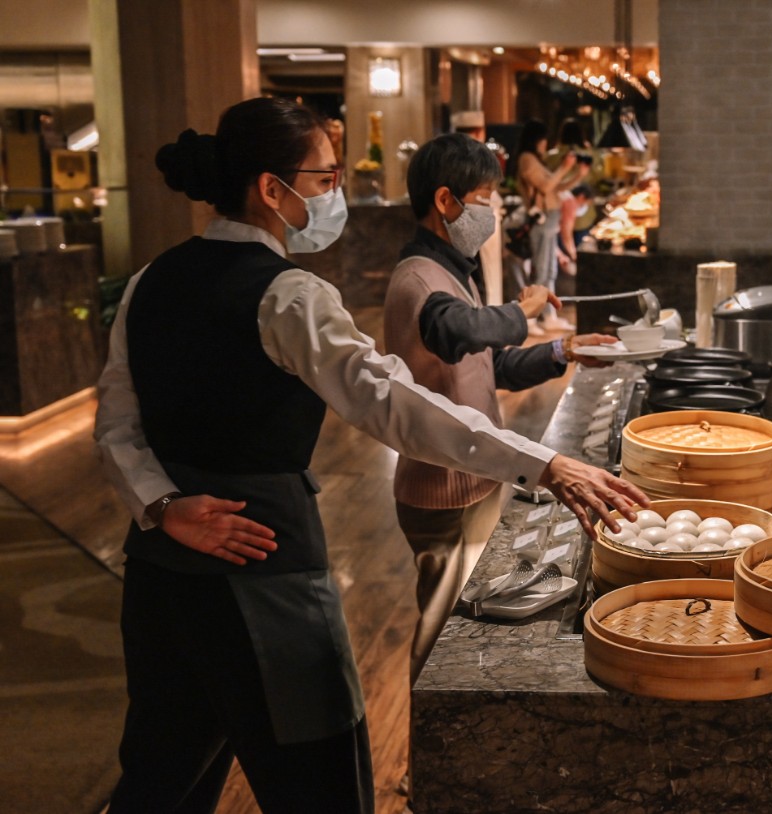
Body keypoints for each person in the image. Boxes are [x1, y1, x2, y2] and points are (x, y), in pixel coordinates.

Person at [93, 96, 646, 814]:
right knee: (318, 774)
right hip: (266, 564)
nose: (334, 195)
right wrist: (543, 463)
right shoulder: (289, 296)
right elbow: (396, 404)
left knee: (162, 779)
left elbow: (115, 425)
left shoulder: (149, 280)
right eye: (324, 179)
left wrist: (163, 507)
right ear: (271, 188)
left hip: (162, 574)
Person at [387, 133, 618, 686]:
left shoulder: (454, 269)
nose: (490, 212)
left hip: (475, 475)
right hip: (438, 486)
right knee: (439, 633)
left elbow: (493, 364)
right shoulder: (418, 276)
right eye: (484, 198)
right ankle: (422, 756)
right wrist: (523, 308)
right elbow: (458, 331)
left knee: (466, 620)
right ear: (447, 201)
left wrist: (563, 350)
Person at [513, 118, 589, 333]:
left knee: (550, 270)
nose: (546, 143)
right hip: (542, 219)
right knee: (542, 270)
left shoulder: (537, 159)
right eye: (544, 139)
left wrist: (577, 175)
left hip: (551, 219)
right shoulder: (527, 159)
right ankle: (529, 319)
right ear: (537, 139)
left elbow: (557, 187)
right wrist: (565, 168)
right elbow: (546, 187)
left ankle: (549, 316)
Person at [451, 109, 505, 307]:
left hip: (458, 225)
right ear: (480, 132)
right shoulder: (480, 158)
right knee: (485, 276)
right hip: (480, 221)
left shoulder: (450, 158)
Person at [557, 183, 595, 275]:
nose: (584, 206)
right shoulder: (570, 203)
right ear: (581, 196)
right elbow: (566, 233)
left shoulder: (566, 197)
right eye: (586, 202)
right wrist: (573, 254)